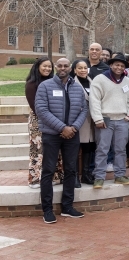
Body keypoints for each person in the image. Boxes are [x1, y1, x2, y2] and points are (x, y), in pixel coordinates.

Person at [35, 58, 88, 223]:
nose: (63, 68)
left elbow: (84, 109)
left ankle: (67, 207)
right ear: (56, 67)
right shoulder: (45, 86)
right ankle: (47, 210)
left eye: (66, 66)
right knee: (48, 171)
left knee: (71, 170)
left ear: (70, 68)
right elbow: (41, 110)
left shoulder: (77, 88)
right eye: (60, 66)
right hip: (52, 134)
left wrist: (74, 128)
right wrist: (62, 128)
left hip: (72, 134)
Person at [89, 54, 129, 189]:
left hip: (122, 120)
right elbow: (94, 100)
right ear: (111, 65)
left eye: (122, 66)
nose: (119, 67)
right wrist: (97, 118)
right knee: (102, 149)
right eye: (116, 65)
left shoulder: (127, 81)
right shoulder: (100, 79)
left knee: (120, 149)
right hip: (105, 119)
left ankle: (120, 175)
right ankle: (99, 177)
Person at [25, 58, 62, 188]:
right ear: (37, 67)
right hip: (38, 121)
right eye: (44, 66)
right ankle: (34, 179)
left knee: (51, 150)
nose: (47, 69)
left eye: (49, 67)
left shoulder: (53, 83)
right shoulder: (31, 84)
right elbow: (36, 107)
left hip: (53, 120)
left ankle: (52, 177)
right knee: (37, 149)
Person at [72, 60, 95, 186]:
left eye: (85, 68)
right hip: (78, 120)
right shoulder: (72, 83)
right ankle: (75, 175)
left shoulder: (93, 82)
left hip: (92, 119)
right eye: (79, 68)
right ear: (75, 70)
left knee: (89, 147)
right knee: (76, 148)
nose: (82, 70)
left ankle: (86, 174)